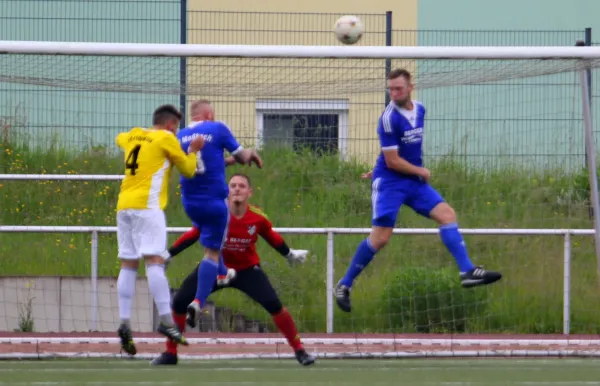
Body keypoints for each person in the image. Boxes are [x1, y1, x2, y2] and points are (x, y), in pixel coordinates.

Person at [334, 69, 503, 313]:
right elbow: (391, 161)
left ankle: (467, 271)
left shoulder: (420, 109)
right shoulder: (388, 118)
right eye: (390, 89)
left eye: (398, 88)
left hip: (411, 180)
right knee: (380, 239)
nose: (393, 93)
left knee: (447, 215)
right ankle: (344, 285)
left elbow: (397, 151)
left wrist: (408, 171)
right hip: (391, 183)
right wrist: (417, 171)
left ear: (410, 87)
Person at [151, 174, 315, 366]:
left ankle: (300, 351)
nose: (237, 189)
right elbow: (194, 234)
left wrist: (289, 254)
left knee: (274, 304)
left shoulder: (258, 218)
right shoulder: (215, 213)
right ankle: (170, 353)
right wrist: (169, 254)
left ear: (249, 192)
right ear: (227, 191)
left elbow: (272, 237)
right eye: (233, 185)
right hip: (215, 267)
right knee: (179, 301)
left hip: (246, 270)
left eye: (242, 186)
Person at [114, 104, 204, 355]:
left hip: (124, 206)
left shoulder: (133, 134)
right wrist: (194, 151)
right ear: (169, 125)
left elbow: (119, 138)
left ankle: (124, 322)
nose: (175, 133)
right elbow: (188, 169)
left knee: (128, 264)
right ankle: (166, 320)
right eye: (175, 128)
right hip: (148, 206)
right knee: (154, 261)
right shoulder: (166, 138)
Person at [175, 100, 263, 328]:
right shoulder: (218, 128)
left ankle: (224, 273)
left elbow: (199, 162)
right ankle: (197, 302)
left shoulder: (180, 136)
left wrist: (227, 161)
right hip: (214, 203)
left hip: (189, 202)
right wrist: (250, 153)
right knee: (211, 252)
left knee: (210, 238)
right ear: (209, 113)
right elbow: (244, 157)